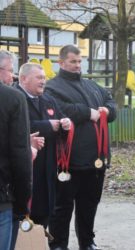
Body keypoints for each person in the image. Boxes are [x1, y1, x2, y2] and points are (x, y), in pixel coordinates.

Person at [45, 45, 117, 250]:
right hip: (68, 160)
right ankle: (58, 244)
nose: (78, 65)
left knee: (89, 205)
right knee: (62, 207)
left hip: (96, 159)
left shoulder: (92, 86)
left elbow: (111, 103)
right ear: (61, 62)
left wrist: (106, 110)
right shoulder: (53, 87)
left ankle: (87, 242)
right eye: (73, 61)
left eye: (80, 61)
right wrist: (87, 112)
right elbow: (58, 109)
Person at [16, 63, 71, 228]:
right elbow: (16, 127)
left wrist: (65, 125)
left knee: (43, 218)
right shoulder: (15, 98)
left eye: (44, 77)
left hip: (47, 170)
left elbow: (60, 122)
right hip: (26, 169)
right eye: (38, 77)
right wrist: (47, 126)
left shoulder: (48, 99)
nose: (43, 81)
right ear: (24, 79)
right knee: (23, 221)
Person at [0, 50, 32, 250]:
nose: (11, 76)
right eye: (10, 70)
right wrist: (22, 202)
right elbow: (20, 155)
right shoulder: (12, 99)